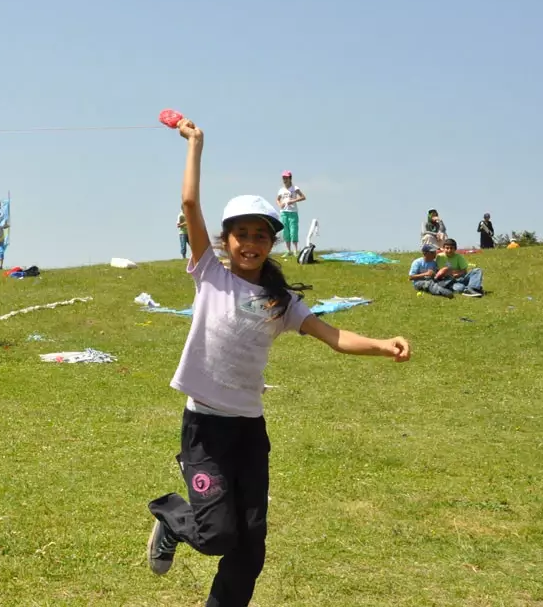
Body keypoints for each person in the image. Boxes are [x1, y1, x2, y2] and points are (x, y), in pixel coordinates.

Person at [146, 117, 411, 606]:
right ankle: (170, 517)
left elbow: (333, 336)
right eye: (240, 234)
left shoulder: (280, 301)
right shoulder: (209, 274)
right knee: (216, 535)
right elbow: (189, 204)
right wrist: (195, 144)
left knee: (250, 548)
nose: (250, 243)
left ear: (272, 242)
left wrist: (381, 343)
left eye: (261, 235)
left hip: (249, 430)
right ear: (225, 240)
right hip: (205, 429)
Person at [275, 171, 305, 258]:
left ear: (290, 178)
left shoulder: (295, 188)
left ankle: (295, 250)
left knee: (293, 231)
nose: (285, 179)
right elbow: (277, 199)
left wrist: (293, 201)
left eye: (286, 178)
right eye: (283, 178)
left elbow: (303, 197)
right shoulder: (281, 190)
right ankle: (288, 251)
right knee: (286, 232)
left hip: (293, 212)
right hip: (284, 212)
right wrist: (280, 204)